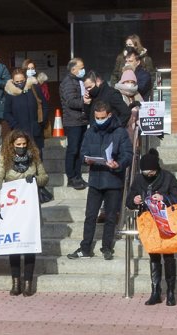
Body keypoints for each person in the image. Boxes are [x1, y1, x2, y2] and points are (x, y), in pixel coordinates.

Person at [68, 100, 131, 260]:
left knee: (110, 216)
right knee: (90, 216)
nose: (99, 120)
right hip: (95, 179)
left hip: (113, 180)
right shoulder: (90, 131)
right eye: (96, 117)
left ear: (109, 115)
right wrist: (86, 159)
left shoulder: (120, 132)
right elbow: (83, 152)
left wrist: (118, 164)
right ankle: (85, 247)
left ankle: (107, 247)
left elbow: (128, 155)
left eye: (102, 117)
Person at [0, 130, 49, 297]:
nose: (21, 148)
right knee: (14, 246)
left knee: (30, 245)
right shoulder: (5, 160)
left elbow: (45, 177)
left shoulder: (34, 158)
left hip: (30, 210)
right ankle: (16, 282)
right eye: (18, 145)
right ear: (12, 145)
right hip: (13, 210)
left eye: (24, 145)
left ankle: (28, 282)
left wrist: (36, 179)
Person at [130, 149, 177, 306]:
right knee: (154, 256)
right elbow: (129, 200)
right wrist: (135, 200)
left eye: (150, 172)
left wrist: (164, 198)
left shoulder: (168, 177)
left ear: (156, 168)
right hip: (148, 222)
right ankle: (155, 291)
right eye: (145, 172)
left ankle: (171, 292)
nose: (148, 175)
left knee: (168, 256)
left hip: (166, 220)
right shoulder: (139, 179)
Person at [60, 58, 89, 190]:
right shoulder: (68, 83)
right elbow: (71, 102)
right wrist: (85, 102)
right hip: (72, 121)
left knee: (79, 150)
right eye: (81, 67)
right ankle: (71, 177)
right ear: (73, 69)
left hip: (81, 120)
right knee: (73, 150)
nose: (83, 70)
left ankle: (77, 175)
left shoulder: (79, 81)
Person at [3, 68, 46, 151]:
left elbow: (44, 106)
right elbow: (6, 113)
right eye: (17, 82)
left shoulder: (34, 88)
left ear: (26, 79)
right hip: (19, 133)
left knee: (37, 157)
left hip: (35, 131)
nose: (20, 83)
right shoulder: (10, 93)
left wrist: (41, 123)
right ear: (13, 81)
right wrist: (15, 126)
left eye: (22, 81)